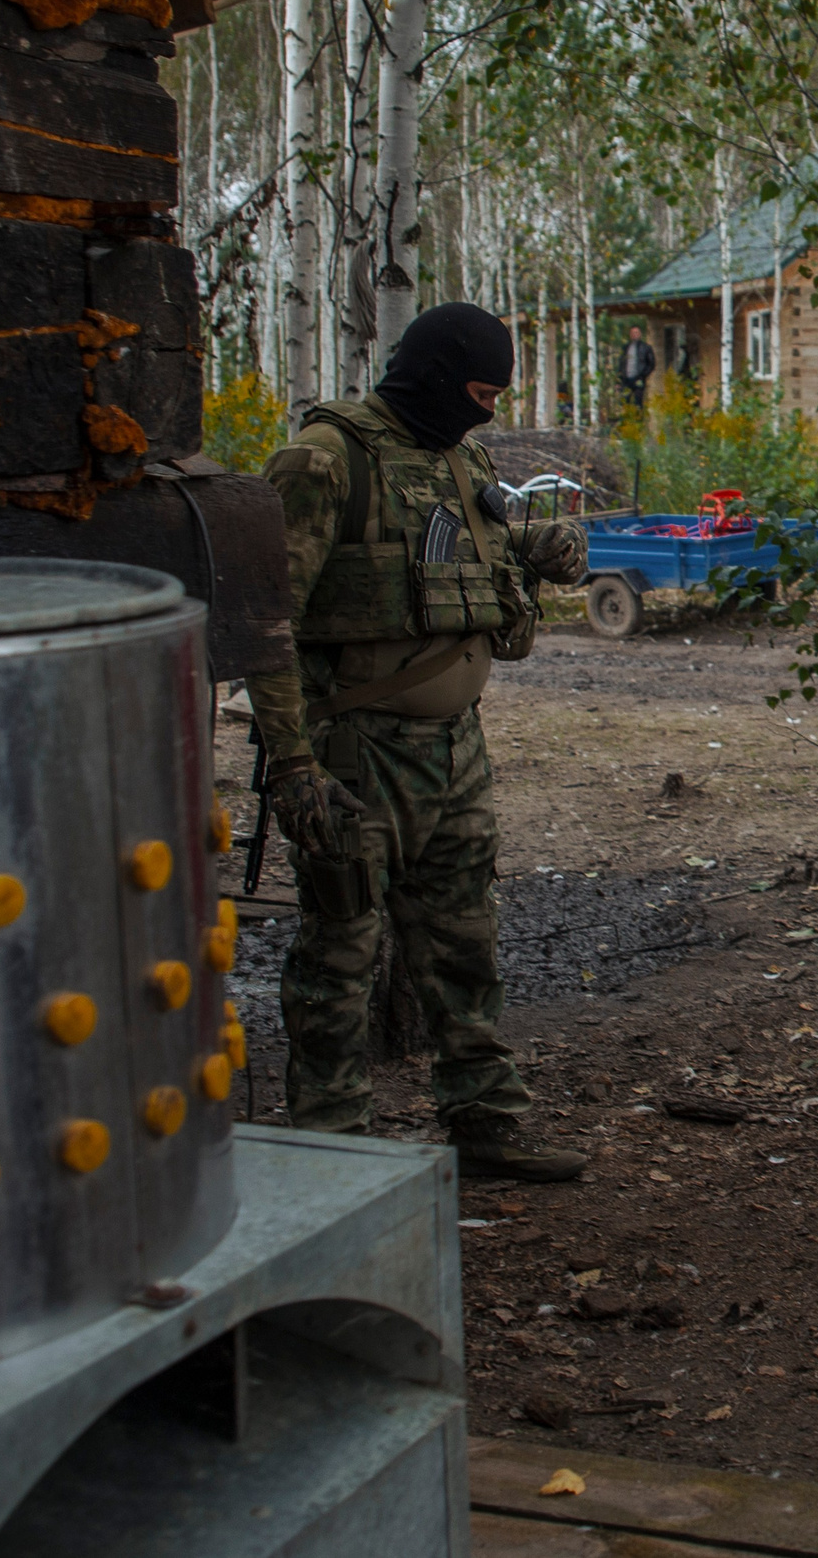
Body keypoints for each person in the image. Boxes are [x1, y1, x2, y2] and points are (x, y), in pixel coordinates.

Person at [247, 303, 591, 1181]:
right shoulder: (324, 459)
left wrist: (530, 548)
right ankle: (331, 1145)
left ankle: (483, 1118)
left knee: (464, 940)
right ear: (436, 373)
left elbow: (451, 553)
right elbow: (264, 620)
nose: (483, 412)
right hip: (356, 750)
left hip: (455, 750)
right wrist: (292, 765)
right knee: (340, 949)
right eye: (477, 392)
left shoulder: (458, 457)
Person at [618, 330, 657, 409]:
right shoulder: (626, 348)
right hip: (626, 379)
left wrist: (643, 374)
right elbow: (621, 364)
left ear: (640, 334)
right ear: (630, 335)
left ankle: (638, 419)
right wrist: (618, 380)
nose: (635, 335)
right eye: (633, 333)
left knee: (638, 402)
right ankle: (626, 419)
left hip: (638, 379)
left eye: (637, 333)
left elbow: (651, 363)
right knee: (625, 402)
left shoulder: (646, 347)